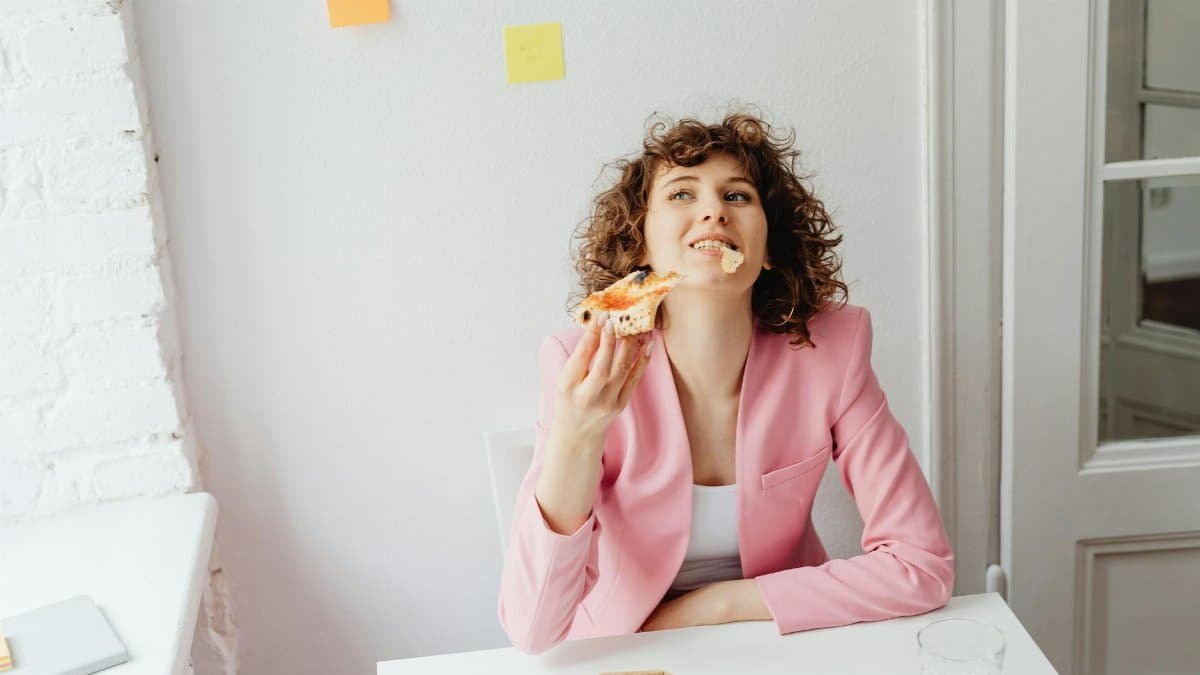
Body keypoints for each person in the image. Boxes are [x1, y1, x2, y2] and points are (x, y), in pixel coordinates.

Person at [497, 110, 954, 655]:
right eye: (682, 194)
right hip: (631, 650)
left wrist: (715, 605)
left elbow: (922, 565)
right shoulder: (581, 360)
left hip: (781, 639)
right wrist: (577, 431)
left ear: (768, 252)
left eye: (737, 196)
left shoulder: (833, 349)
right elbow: (531, 629)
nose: (713, 209)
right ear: (641, 246)